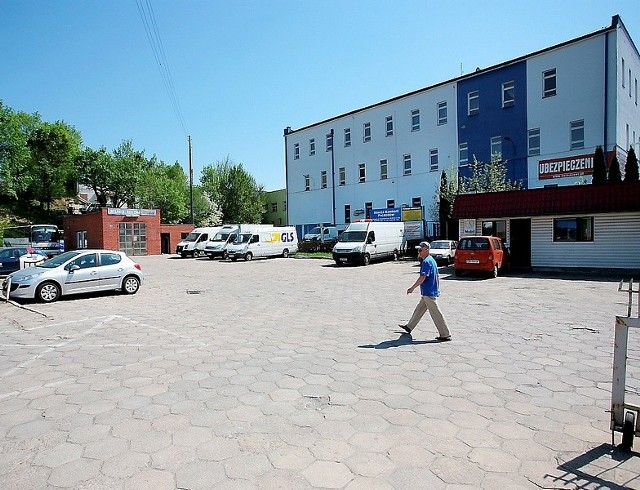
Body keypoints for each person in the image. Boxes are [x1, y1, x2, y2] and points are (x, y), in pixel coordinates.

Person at [399, 241, 451, 341]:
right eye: (418, 250)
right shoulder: (431, 259)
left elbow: (423, 277)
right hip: (429, 291)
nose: (419, 252)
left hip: (429, 292)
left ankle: (445, 334)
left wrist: (412, 288)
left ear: (427, 250)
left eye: (420, 250)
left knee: (436, 313)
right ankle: (409, 326)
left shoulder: (427, 261)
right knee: (419, 309)